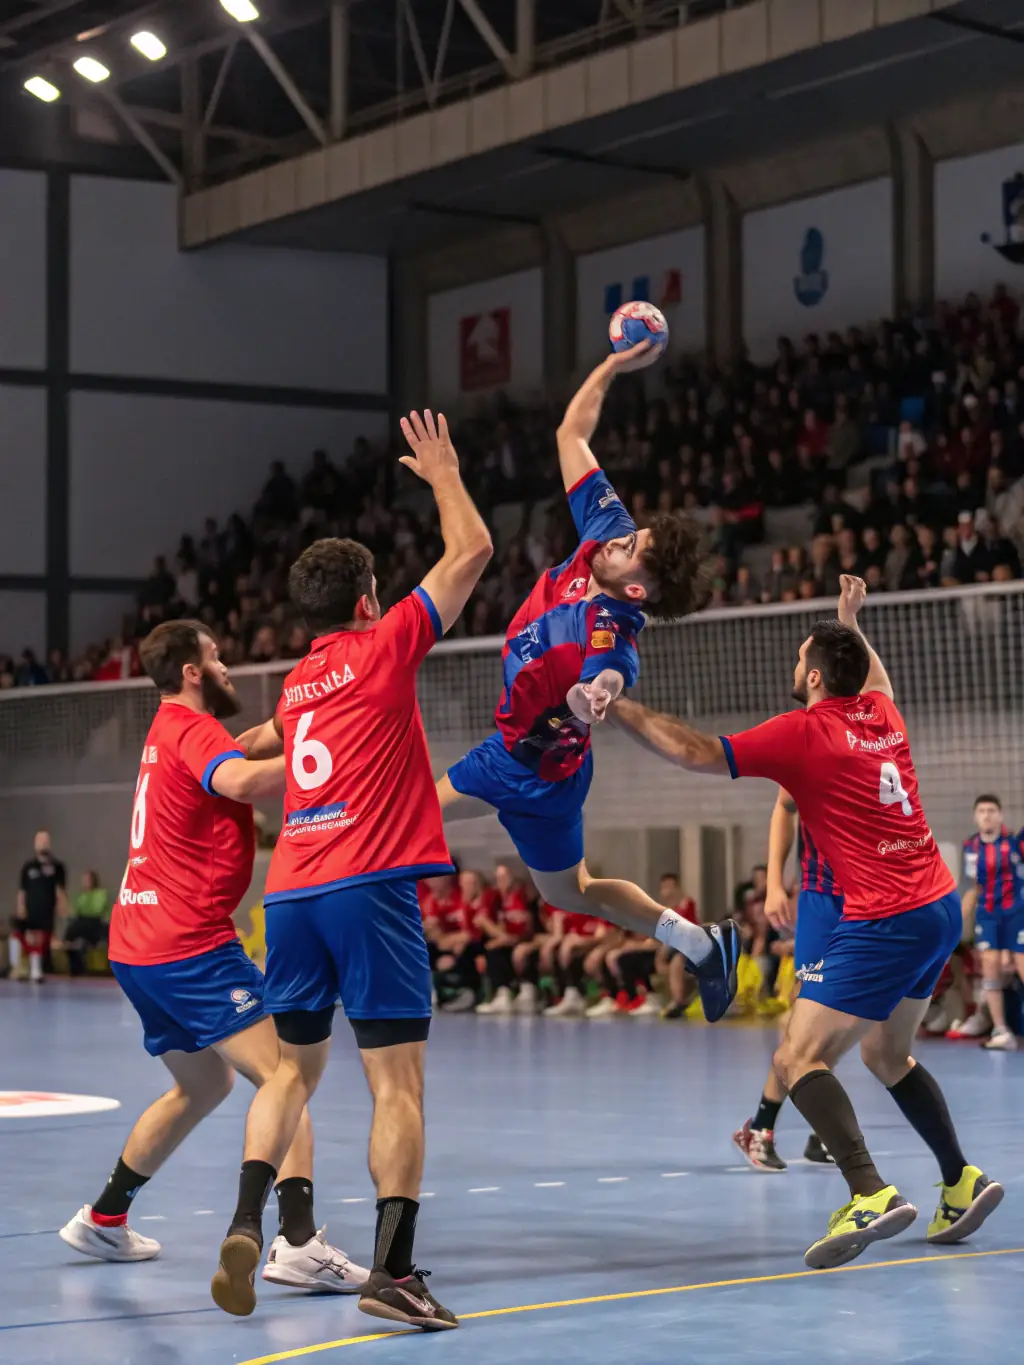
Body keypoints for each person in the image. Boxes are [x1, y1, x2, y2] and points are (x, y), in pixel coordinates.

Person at [610, 576, 1003, 1268]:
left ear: (815, 676)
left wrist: (619, 707)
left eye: (800, 660)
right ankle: (960, 1180)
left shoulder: (803, 732)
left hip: (885, 915)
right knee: (886, 1053)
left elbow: (698, 751)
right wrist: (849, 620)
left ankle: (868, 1190)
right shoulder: (885, 715)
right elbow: (872, 671)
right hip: (938, 907)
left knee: (796, 1056)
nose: (793, 669)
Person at [213, 410, 491, 1331]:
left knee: (291, 1075)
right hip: (368, 888)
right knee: (395, 1085)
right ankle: (394, 1272)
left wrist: (207, 750)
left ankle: (252, 1221)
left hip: (288, 889)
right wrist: (445, 472)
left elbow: (264, 737)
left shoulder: (296, 682)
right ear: (369, 599)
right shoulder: (383, 648)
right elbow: (475, 550)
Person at [59, 620, 365, 1297]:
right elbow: (241, 777)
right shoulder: (194, 731)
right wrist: (323, 748)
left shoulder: (169, 729)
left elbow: (244, 747)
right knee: (288, 1072)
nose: (227, 665)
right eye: (219, 656)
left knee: (203, 1085)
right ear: (193, 670)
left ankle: (106, 1216)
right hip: (189, 943)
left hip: (137, 942)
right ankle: (299, 1241)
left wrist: (297, 718)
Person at [435, 348, 740, 1022]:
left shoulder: (611, 631)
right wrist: (615, 363)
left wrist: (593, 695)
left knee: (406, 822)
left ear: (636, 588)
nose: (620, 540)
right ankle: (701, 942)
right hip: (560, 773)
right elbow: (571, 434)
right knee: (572, 894)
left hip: (518, 762)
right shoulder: (609, 536)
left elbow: (597, 678)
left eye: (632, 549)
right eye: (633, 535)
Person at [733, 792, 840, 1172]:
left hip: (865, 900)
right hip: (823, 902)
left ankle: (820, 1133)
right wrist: (776, 885)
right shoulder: (811, 751)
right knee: (805, 1026)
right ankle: (761, 1129)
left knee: (838, 1028)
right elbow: (784, 804)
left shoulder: (873, 752)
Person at [961, 795, 1024, 1051]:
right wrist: (957, 923)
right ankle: (1001, 1029)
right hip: (987, 914)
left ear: (1000, 815)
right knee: (990, 966)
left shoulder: (1015, 843)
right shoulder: (971, 847)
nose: (987, 815)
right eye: (982, 811)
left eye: (991, 810)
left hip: (1016, 913)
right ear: (976, 816)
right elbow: (973, 887)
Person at [14, 830, 68, 983]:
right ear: (35, 843)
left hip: (47, 909)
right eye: (40, 840)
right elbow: (22, 890)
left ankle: (40, 969)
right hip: (31, 909)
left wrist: (62, 907)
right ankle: (30, 969)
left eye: (46, 840)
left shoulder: (57, 866)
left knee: (44, 939)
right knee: (30, 939)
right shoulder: (28, 866)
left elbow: (60, 890)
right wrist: (21, 907)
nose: (43, 843)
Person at [61, 870, 111, 977]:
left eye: (88, 880)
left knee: (108, 934)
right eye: (84, 880)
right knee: (69, 935)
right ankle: (76, 967)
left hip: (96, 921)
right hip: (81, 921)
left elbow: (98, 909)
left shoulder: (101, 893)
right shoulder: (80, 895)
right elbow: (76, 911)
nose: (85, 882)